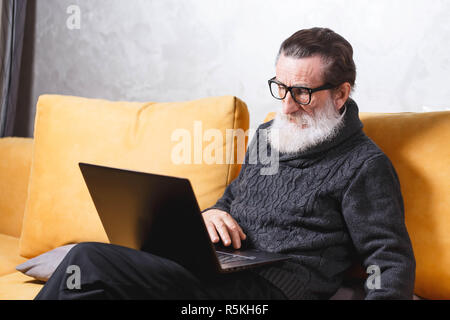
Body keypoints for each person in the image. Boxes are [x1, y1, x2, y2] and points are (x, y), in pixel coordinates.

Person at [35, 27, 415, 300]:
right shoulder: (270, 136)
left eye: (301, 93)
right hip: (221, 269)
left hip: (272, 289)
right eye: (280, 87)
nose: (285, 105)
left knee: (88, 258)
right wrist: (211, 214)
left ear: (341, 94)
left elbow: (389, 259)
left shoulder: (364, 165)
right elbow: (233, 199)